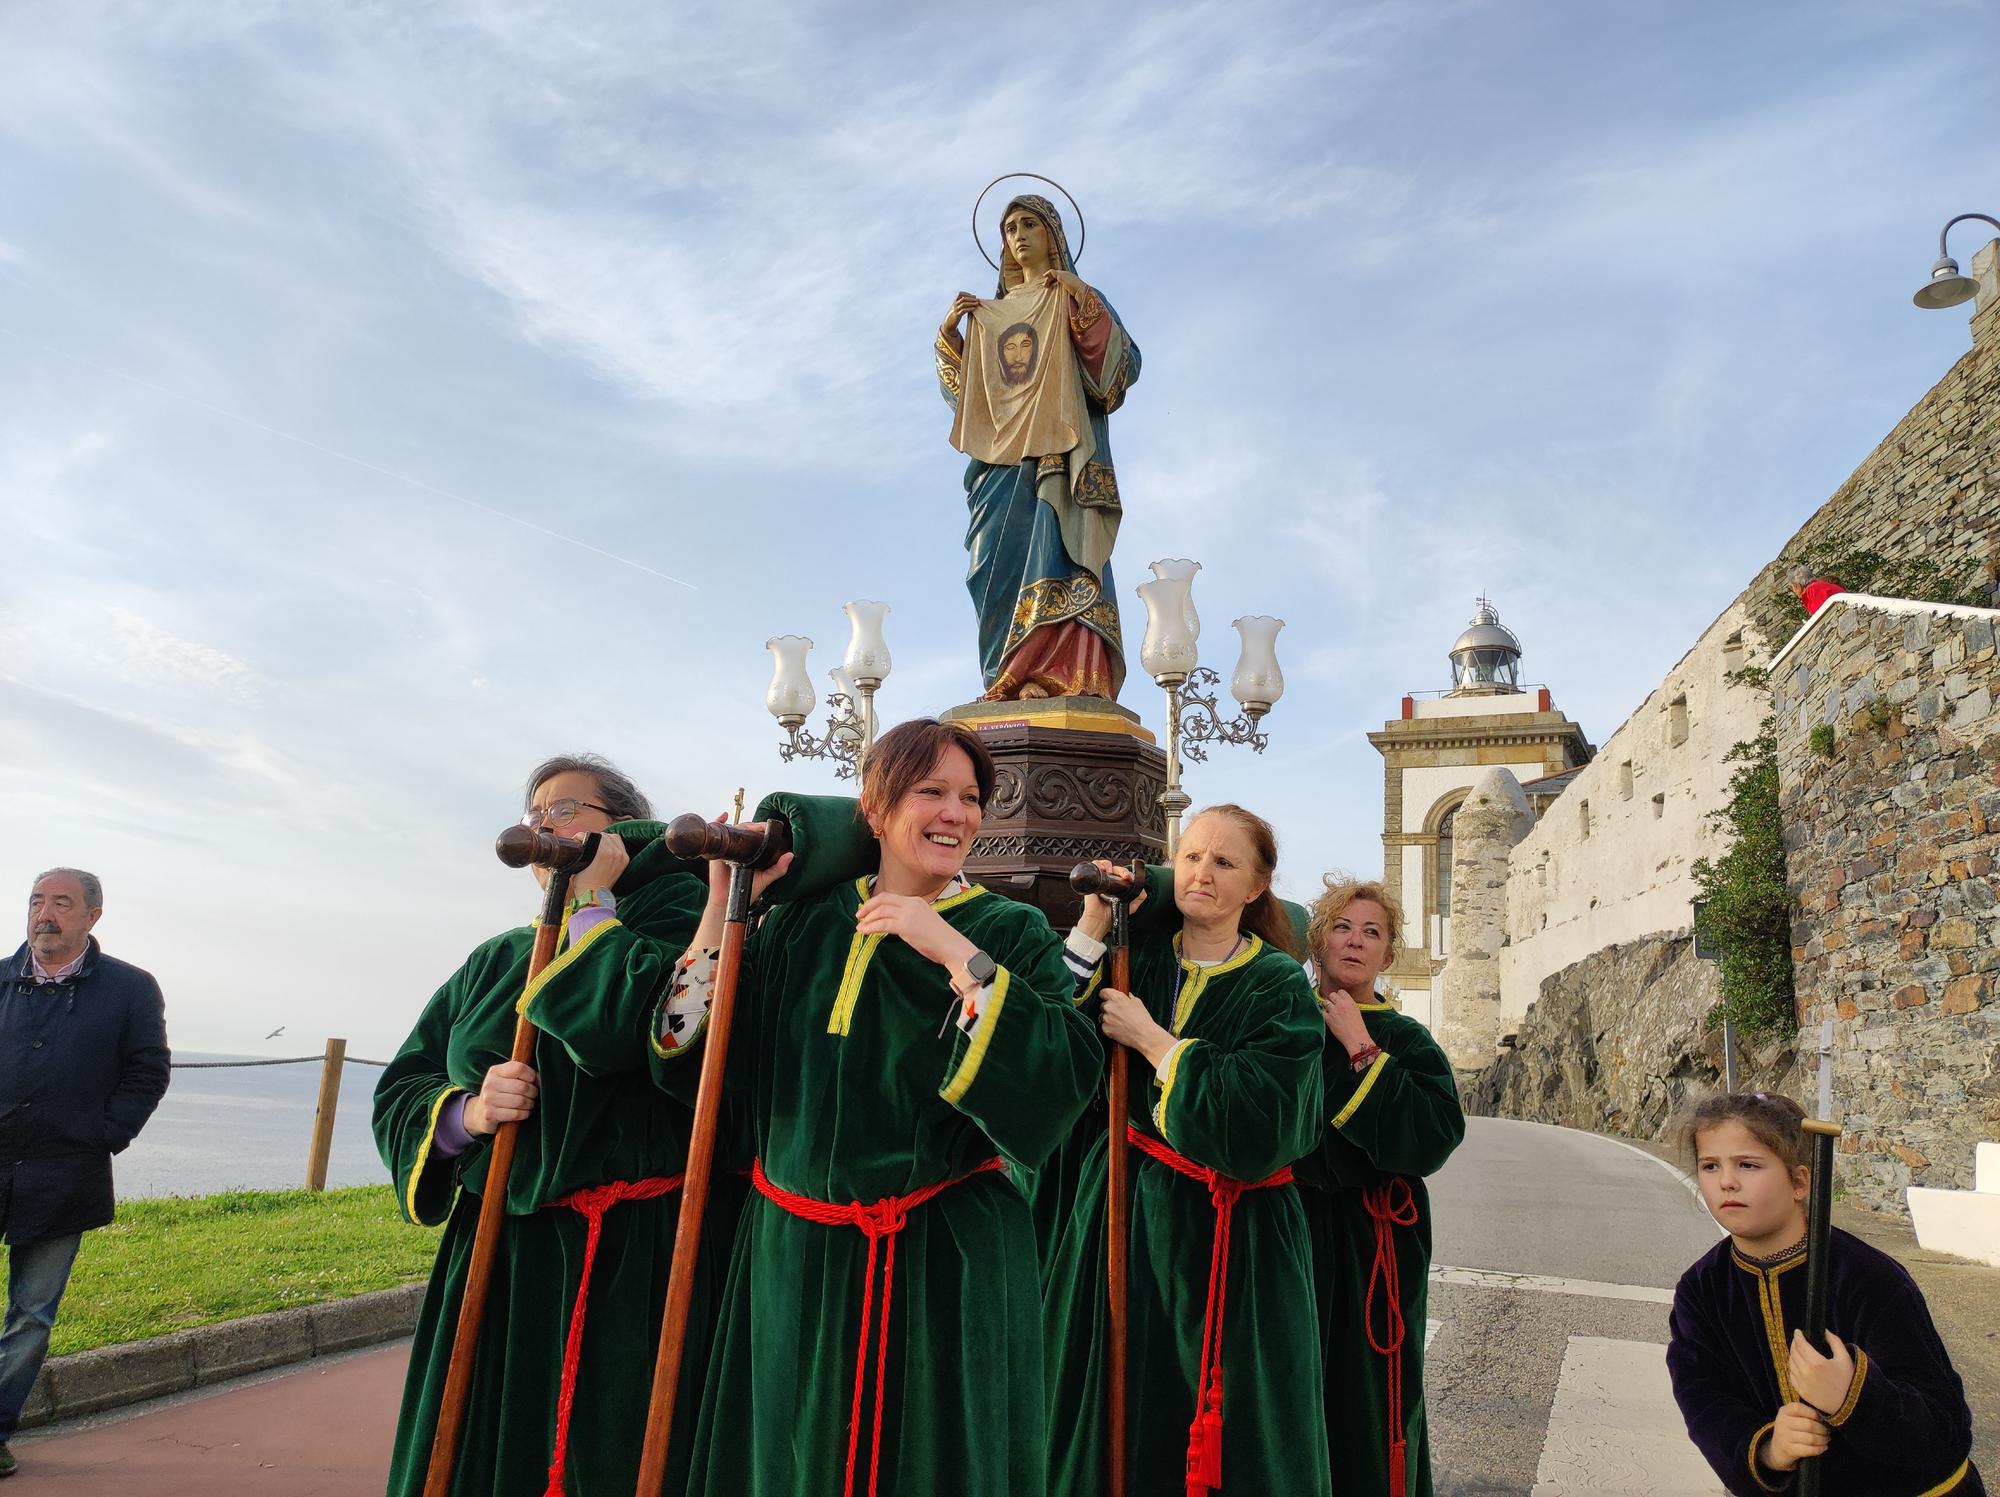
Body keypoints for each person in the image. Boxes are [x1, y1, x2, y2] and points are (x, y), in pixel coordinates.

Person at [655, 717, 1101, 1497]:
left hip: (940, 1269)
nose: (955, 813)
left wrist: (954, 953)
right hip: (788, 1258)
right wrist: (726, 909)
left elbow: (1058, 1085)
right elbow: (686, 1047)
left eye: (970, 797)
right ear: (875, 806)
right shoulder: (801, 923)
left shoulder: (1011, 930)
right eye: (931, 790)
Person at [372, 754, 721, 1497]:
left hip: (633, 1257)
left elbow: (637, 1032)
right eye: (534, 812)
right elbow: (405, 1081)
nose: (540, 826)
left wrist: (592, 907)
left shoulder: (680, 920)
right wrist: (466, 1113)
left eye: (563, 811)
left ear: (620, 825)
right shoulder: (496, 958)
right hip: (499, 1252)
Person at [1045, 806, 1330, 1497]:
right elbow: (1046, 1021)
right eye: (1193, 855)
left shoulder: (1278, 987)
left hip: (1237, 1238)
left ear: (1258, 887)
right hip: (1124, 1211)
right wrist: (1091, 920)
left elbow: (1263, 1123)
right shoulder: (1132, 954)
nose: (1202, 873)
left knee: (1228, 1419)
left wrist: (1155, 1042)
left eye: (1225, 862)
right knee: (1116, 1401)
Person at [1666, 1090, 1985, 1496]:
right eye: (1710, 1166)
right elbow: (1705, 1400)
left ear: (1799, 1182)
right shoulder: (1702, 1289)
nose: (1726, 1181)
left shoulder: (1870, 1278)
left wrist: (1853, 1397)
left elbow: (1943, 1427)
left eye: (1748, 1164)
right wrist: (1767, 1449)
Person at [1295, 876, 1464, 1497]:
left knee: (1372, 1392)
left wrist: (1361, 1047)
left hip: (1376, 1241)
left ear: (1389, 954)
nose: (1356, 942)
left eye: (1372, 932)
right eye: (1342, 927)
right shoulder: (1284, 1019)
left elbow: (1434, 1137)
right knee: (1289, 1381)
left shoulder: (1405, 1039)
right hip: (1291, 1229)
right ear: (1317, 942)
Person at [0, 869, 170, 1479]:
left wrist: (104, 1134)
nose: (45, 913)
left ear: (92, 915)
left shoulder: (128, 988)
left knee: (32, 1314)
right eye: (37, 901)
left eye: (61, 903)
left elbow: (147, 1072)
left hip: (63, 1176)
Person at [938, 193, 1141, 701]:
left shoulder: (1072, 294)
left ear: (1053, 234)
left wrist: (1079, 299)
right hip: (999, 466)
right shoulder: (993, 314)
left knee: (1058, 552)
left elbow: (1120, 369)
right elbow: (975, 398)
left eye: (1030, 224)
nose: (1019, 235)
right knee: (990, 567)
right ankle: (1004, 679)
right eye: (1010, 229)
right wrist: (951, 339)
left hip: (1057, 459)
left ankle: (1062, 677)